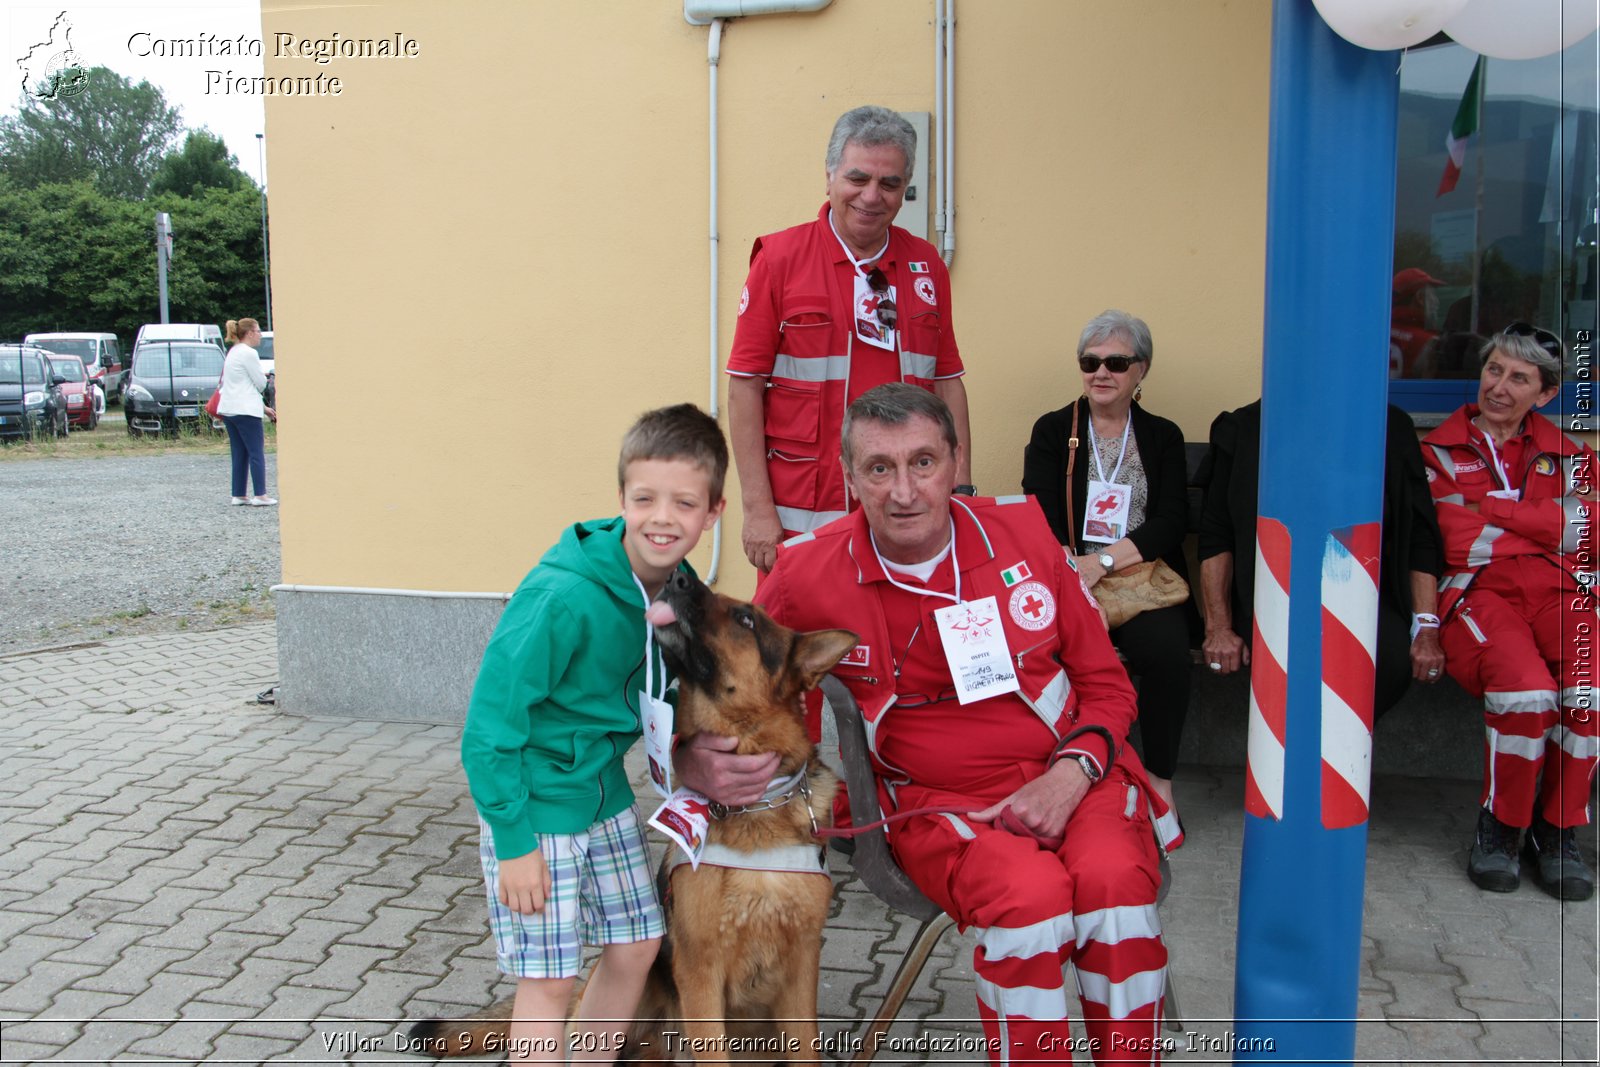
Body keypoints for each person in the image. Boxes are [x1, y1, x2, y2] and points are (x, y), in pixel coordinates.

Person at [688, 383, 1179, 1064]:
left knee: (1115, 887)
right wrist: (703, 762)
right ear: (850, 477)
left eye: (923, 462)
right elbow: (736, 682)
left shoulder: (1026, 535)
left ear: (954, 461)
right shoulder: (807, 572)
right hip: (937, 803)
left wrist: (1070, 776)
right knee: (1030, 898)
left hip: (1075, 772)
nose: (904, 490)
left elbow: (1106, 685)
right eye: (880, 467)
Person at [461, 404, 727, 1063]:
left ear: (714, 512)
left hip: (604, 796)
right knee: (549, 981)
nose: (663, 517)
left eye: (685, 503)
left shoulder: (682, 586)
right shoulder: (560, 597)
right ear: (621, 498)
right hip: (534, 804)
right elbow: (486, 731)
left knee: (636, 945)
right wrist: (514, 842)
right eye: (645, 499)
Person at [726, 104, 971, 573]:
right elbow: (744, 387)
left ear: (905, 190)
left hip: (905, 506)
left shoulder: (927, 265)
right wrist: (757, 508)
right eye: (858, 179)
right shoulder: (778, 260)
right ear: (829, 176)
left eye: (890, 184)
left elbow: (947, 382)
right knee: (801, 640)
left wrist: (960, 488)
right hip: (804, 509)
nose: (871, 196)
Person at [1422, 324, 1597, 901]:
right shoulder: (1439, 448)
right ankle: (1502, 827)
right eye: (1493, 370)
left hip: (1560, 591)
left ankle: (1560, 827)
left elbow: (1588, 531)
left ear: (1545, 395)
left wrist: (1491, 506)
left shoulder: (1570, 452)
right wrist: (1545, 525)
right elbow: (1452, 540)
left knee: (1588, 691)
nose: (1499, 386)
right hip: (1479, 593)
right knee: (1527, 693)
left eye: (1518, 377)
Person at [1021, 310, 1197, 820]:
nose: (1101, 372)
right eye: (1090, 361)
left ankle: (1159, 778)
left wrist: (1101, 563)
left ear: (1141, 370)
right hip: (1066, 575)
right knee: (1041, 644)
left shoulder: (1161, 435)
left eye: (1116, 362)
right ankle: (1054, 771)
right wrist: (1076, 573)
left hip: (1137, 580)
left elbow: (1170, 520)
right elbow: (1041, 515)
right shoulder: (1055, 430)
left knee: (1166, 653)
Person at [1197, 400, 1446, 718]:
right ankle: (1309, 760)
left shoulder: (1390, 426)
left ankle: (1332, 757)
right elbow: (1217, 533)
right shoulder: (1247, 427)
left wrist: (1426, 629)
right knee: (1294, 658)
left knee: (1389, 659)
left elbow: (1419, 535)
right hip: (1273, 593)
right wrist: (1218, 627)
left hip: (1365, 593)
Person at [217, 318, 277, 507]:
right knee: (255, 451)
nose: (260, 335)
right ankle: (260, 494)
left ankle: (239, 493)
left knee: (239, 452)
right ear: (250, 333)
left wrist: (264, 409)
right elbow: (259, 384)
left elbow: (239, 385)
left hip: (229, 409)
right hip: (246, 411)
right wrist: (264, 381)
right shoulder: (249, 353)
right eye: (258, 331)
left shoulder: (233, 352)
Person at [1390, 267, 1445, 378]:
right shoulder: (1429, 342)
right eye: (1432, 295)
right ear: (1420, 298)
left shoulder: (1377, 333)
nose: (1436, 302)